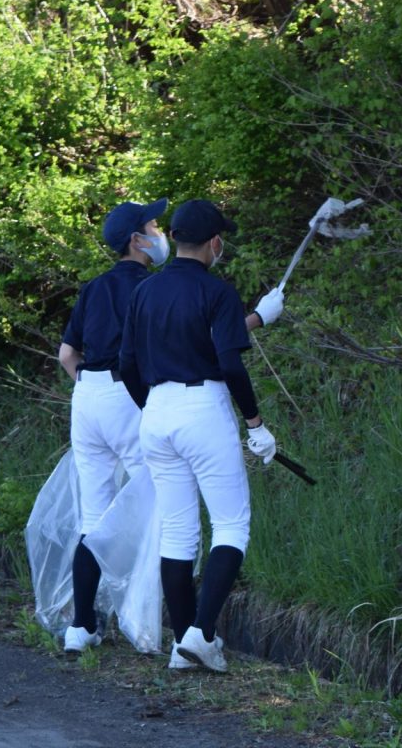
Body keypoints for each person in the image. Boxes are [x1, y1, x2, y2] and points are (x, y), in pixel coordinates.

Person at [119, 199, 283, 671]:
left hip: (156, 412)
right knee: (230, 525)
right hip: (202, 409)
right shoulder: (217, 291)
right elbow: (230, 361)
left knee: (178, 531)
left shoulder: (145, 292)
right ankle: (203, 634)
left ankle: (183, 645)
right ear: (214, 243)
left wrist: (150, 407)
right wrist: (254, 423)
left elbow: (127, 365)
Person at [56, 197, 171, 652]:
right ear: (137, 241)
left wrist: (91, 388)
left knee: (93, 514)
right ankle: (143, 620)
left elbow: (67, 355)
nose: (160, 231)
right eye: (154, 225)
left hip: (86, 396)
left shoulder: (93, 287)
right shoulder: (149, 287)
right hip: (129, 394)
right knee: (157, 499)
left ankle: (81, 627)